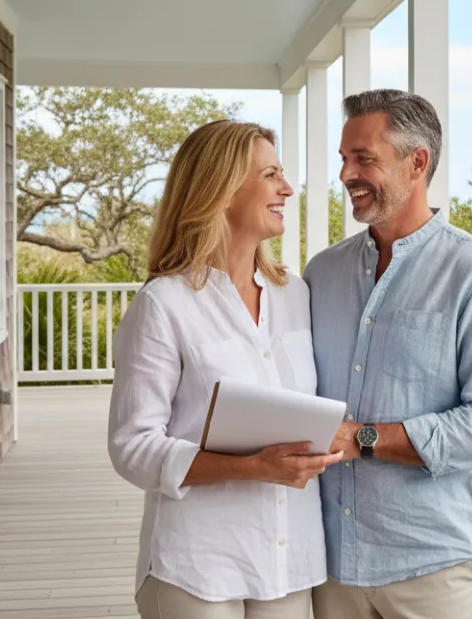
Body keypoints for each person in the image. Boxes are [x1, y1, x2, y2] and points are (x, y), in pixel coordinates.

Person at [304, 90, 472, 618]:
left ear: (417, 162)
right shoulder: (321, 273)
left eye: (364, 159)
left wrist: (364, 439)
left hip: (430, 568)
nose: (345, 175)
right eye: (343, 159)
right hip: (329, 563)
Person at [108, 120, 342, 619]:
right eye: (271, 175)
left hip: (289, 563)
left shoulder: (296, 296)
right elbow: (131, 446)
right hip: (198, 565)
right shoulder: (164, 303)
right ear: (221, 187)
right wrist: (250, 467)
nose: (288, 188)